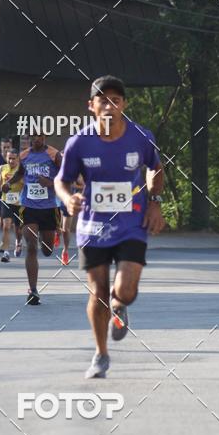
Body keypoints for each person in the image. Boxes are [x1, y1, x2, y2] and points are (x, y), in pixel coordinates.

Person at [55, 75, 165, 378]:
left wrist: (155, 202)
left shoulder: (141, 137)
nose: (109, 106)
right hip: (93, 226)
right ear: (91, 106)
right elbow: (61, 180)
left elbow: (156, 168)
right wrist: (67, 198)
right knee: (98, 291)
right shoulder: (79, 142)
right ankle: (101, 354)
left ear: (124, 105)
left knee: (125, 291)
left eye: (115, 100)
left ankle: (120, 305)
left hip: (132, 222)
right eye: (103, 101)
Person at [2, 133, 62, 305]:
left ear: (45, 137)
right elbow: (20, 173)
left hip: (49, 207)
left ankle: (49, 239)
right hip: (29, 206)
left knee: (47, 250)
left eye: (40, 136)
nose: (37, 139)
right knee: (31, 246)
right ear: (29, 138)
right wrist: (9, 183)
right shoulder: (24, 155)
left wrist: (50, 183)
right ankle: (33, 290)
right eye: (34, 136)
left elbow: (66, 177)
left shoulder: (54, 155)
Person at [0, 149, 24, 261]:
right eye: (9, 158)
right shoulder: (3, 168)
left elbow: (26, 185)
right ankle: (6, 252)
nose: (11, 161)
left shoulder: (21, 170)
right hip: (6, 201)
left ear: (18, 159)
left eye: (13, 158)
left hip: (19, 203)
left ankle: (19, 242)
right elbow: (0, 182)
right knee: (6, 226)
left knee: (18, 229)